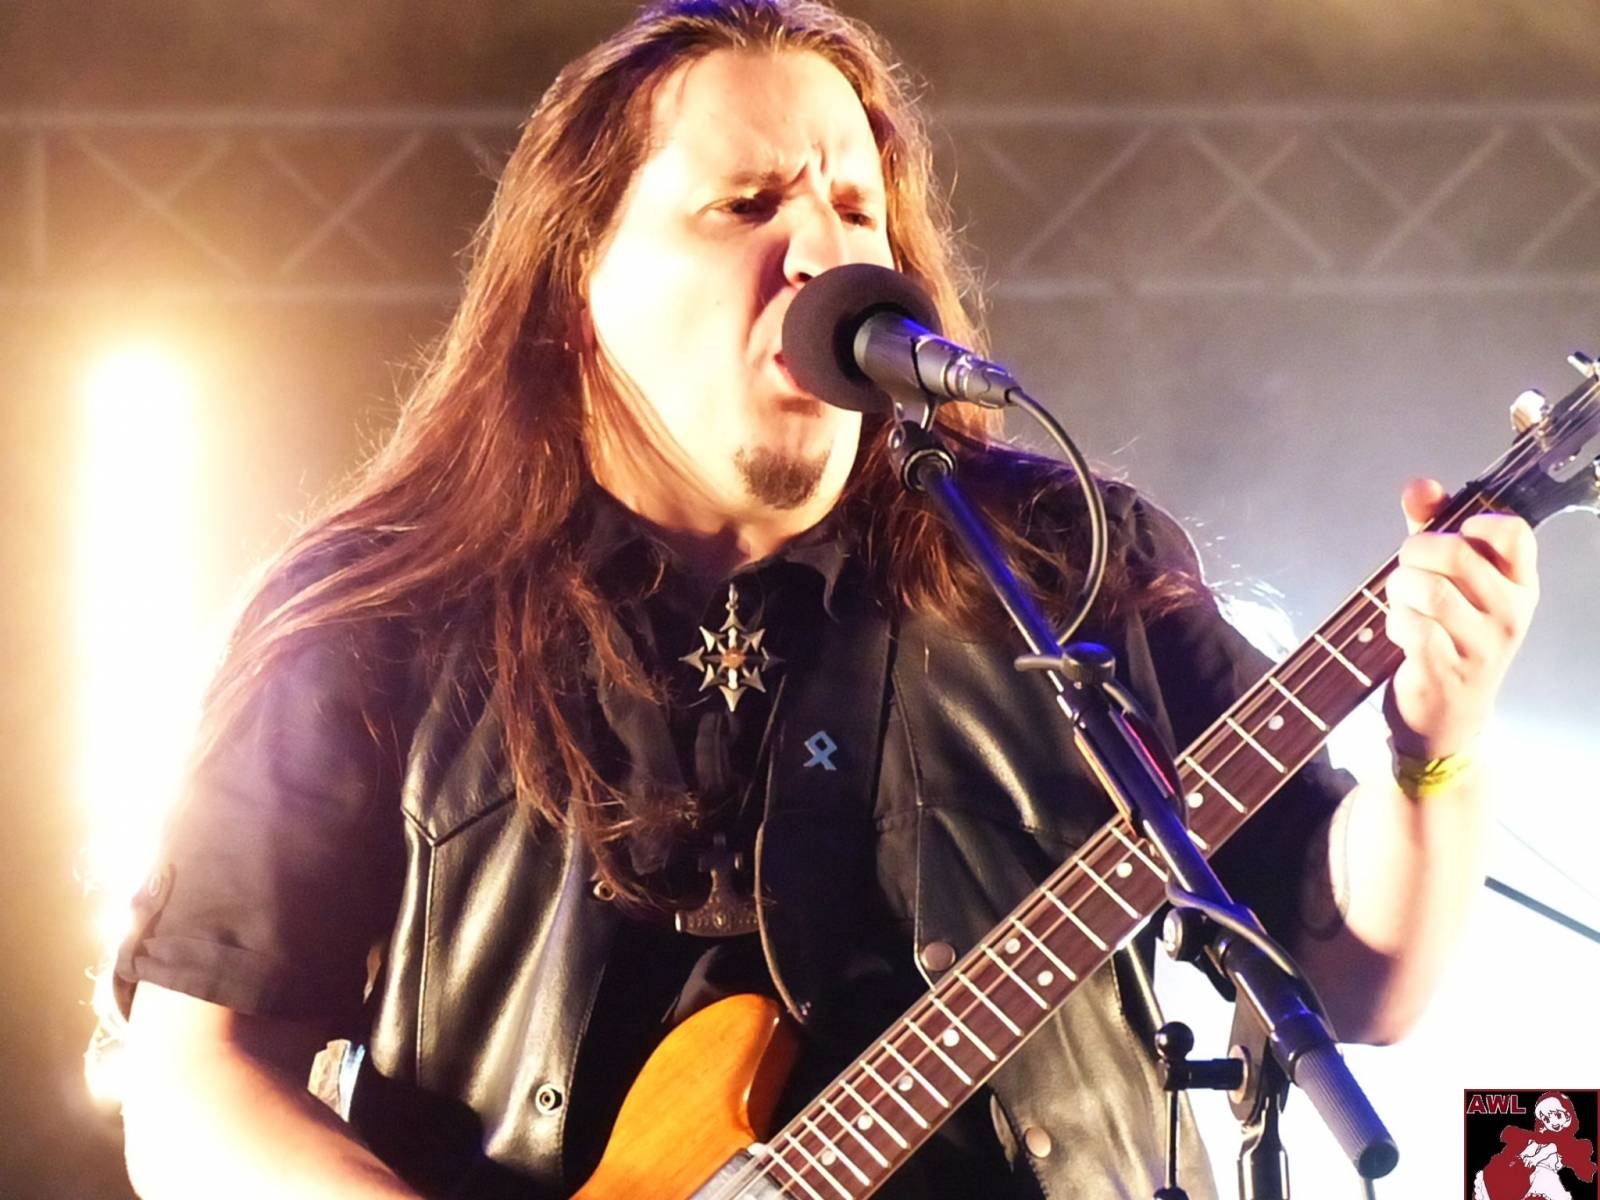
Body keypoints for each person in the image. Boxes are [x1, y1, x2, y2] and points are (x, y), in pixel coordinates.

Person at [113, 2, 1541, 1198]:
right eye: (746, 207)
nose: (823, 251)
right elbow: (198, 1080)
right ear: (575, 282)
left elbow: (1359, 984)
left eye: (855, 206)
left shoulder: (1063, 565)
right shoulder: (384, 614)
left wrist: (1437, 746)